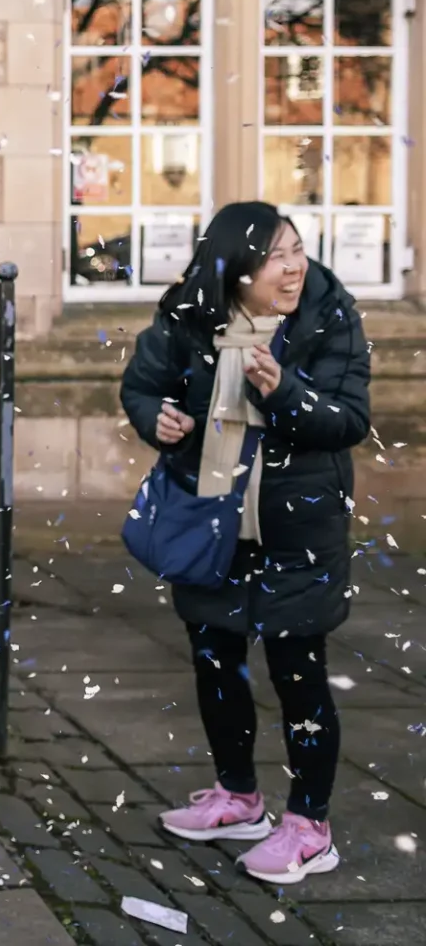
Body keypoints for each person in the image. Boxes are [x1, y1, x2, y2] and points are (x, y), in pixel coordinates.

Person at [120, 201, 367, 885]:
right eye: (275, 258)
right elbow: (142, 387)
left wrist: (284, 390)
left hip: (297, 533)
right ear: (235, 272)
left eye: (297, 251)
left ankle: (310, 826)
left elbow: (349, 420)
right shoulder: (188, 315)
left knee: (298, 677)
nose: (293, 268)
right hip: (210, 525)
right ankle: (240, 799)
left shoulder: (327, 317)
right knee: (215, 663)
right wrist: (157, 419)